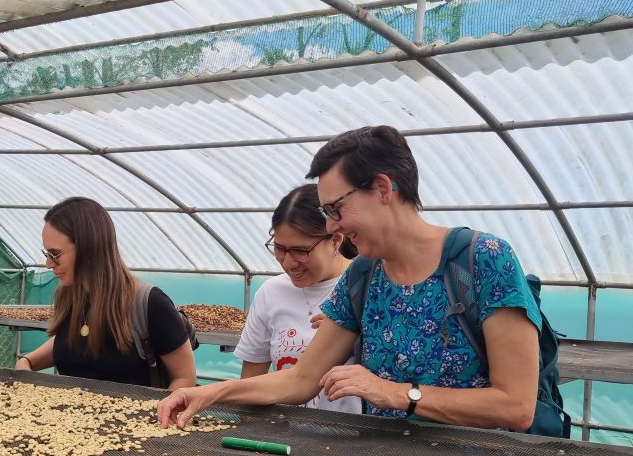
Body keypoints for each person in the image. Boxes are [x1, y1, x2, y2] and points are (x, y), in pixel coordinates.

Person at [159, 125, 541, 432]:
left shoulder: (484, 260)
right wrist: (209, 393)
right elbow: (300, 380)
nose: (331, 226)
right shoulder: (364, 274)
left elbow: (516, 406)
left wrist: (396, 394)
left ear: (382, 189)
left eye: (336, 209)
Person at [14, 197, 197, 389]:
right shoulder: (68, 294)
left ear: (89, 247)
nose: (49, 264)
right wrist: (28, 361)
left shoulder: (150, 303)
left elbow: (184, 379)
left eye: (55, 255)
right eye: (47, 254)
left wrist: (154, 416)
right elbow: (75, 341)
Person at [236, 185, 361, 415]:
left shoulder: (365, 287)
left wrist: (354, 331)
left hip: (355, 442)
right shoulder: (271, 293)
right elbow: (251, 380)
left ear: (335, 240)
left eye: (301, 251)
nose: (288, 262)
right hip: (285, 439)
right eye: (280, 248)